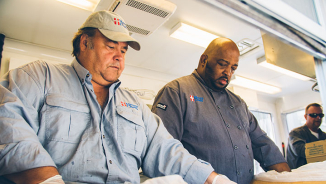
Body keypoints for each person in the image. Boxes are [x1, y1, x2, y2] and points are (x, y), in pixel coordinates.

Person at [0, 11, 234, 184]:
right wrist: (47, 180)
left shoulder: (135, 105)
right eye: (111, 46)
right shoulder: (39, 76)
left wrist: (214, 180)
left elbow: (167, 149)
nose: (119, 57)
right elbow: (7, 124)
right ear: (85, 42)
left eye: (123, 50)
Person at [152, 38, 291, 184]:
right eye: (223, 64)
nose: (228, 72)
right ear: (203, 60)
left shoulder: (238, 103)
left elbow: (262, 144)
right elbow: (164, 151)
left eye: (233, 68)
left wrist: (288, 178)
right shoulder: (177, 92)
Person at [286, 103, 326, 169]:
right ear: (305, 116)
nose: (318, 117)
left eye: (320, 115)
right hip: (301, 175)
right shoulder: (295, 133)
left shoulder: (324, 135)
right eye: (314, 115)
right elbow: (301, 151)